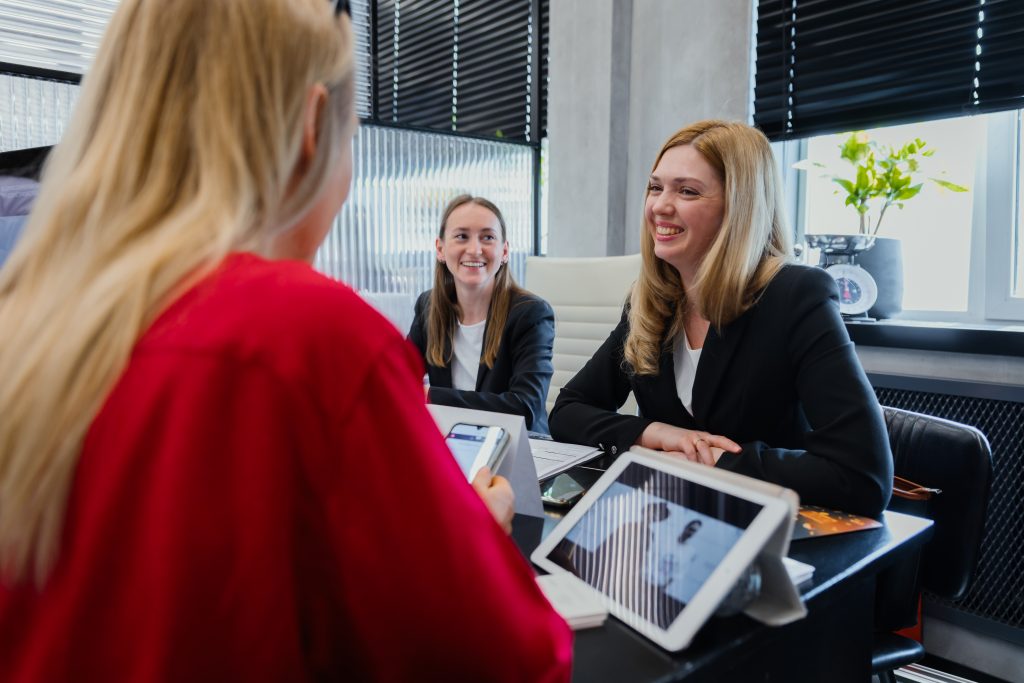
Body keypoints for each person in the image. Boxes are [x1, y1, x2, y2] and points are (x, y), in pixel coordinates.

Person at [0, 2, 571, 681]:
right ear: (310, 128)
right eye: (350, 134)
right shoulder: (313, 338)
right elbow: (510, 659)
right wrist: (478, 534)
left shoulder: (30, 312)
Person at [549, 120, 893, 518]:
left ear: (739, 209)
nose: (660, 206)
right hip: (670, 520)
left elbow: (863, 475)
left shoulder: (795, 296)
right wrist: (654, 434)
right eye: (656, 187)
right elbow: (568, 411)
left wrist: (715, 460)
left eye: (687, 191)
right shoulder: (650, 302)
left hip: (765, 530)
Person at [408, 195, 555, 433]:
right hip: (453, 441)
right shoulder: (428, 306)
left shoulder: (531, 314)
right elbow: (399, 378)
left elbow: (525, 407)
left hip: (518, 444)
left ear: (504, 251)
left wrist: (431, 396)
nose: (475, 250)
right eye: (461, 236)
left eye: (487, 237)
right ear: (440, 249)